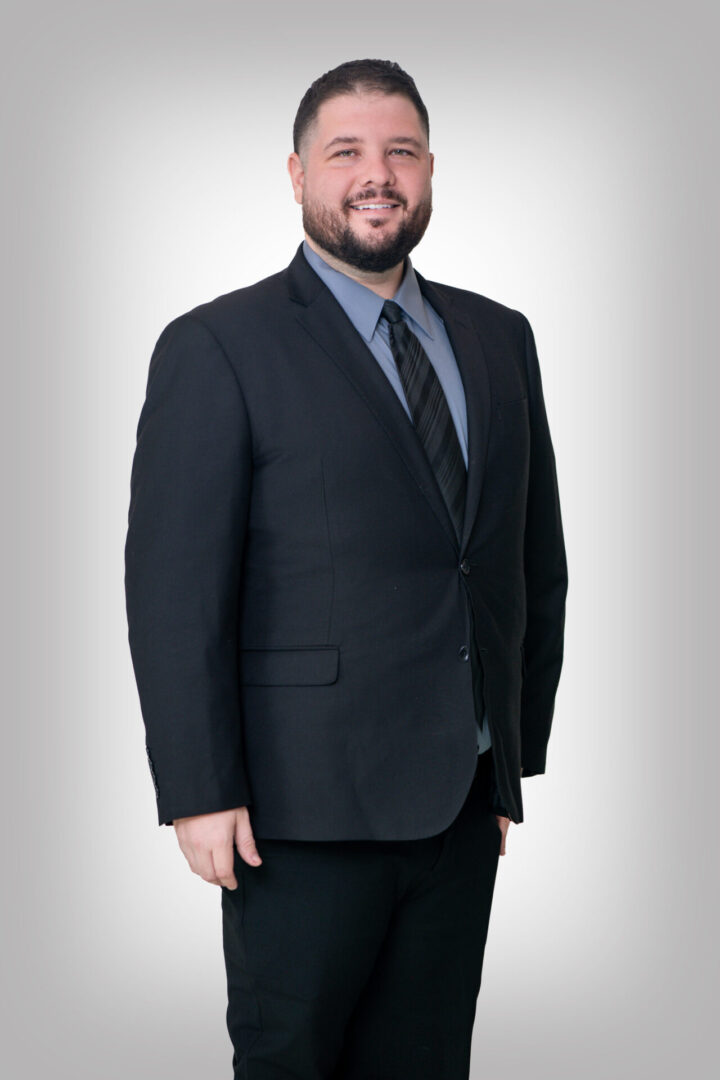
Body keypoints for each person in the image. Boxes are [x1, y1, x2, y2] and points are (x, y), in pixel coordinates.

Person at [124, 58, 568, 1080]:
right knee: (295, 1062)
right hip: (297, 809)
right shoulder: (218, 346)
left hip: (460, 803)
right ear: (296, 174)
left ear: (428, 171)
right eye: (348, 154)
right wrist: (198, 788)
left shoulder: (500, 339)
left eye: (400, 152)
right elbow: (175, 589)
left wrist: (510, 757)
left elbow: (527, 559)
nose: (378, 175)